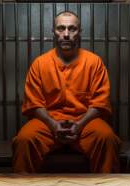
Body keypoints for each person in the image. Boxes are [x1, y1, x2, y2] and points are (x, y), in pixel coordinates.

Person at [12, 11, 120, 173]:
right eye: (61, 28)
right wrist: (53, 125)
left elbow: (100, 101)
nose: (66, 34)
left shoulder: (94, 62)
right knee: (24, 140)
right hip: (48, 122)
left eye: (72, 29)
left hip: (85, 122)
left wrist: (80, 124)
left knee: (107, 138)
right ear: (53, 32)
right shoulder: (40, 63)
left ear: (79, 32)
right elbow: (34, 102)